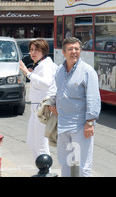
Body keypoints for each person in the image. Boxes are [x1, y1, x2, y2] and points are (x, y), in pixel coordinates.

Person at [50, 37, 101, 176]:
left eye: (77, 49)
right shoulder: (59, 71)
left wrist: (90, 122)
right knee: (66, 163)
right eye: (71, 49)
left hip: (80, 126)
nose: (74, 52)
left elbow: (93, 98)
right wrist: (52, 103)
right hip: (63, 124)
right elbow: (57, 91)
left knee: (82, 166)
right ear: (63, 52)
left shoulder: (87, 71)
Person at [19, 39, 58, 166]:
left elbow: (46, 83)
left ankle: (46, 171)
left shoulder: (45, 65)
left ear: (44, 51)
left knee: (40, 143)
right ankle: (41, 170)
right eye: (31, 50)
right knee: (32, 141)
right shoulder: (41, 65)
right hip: (37, 108)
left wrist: (28, 74)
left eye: (36, 50)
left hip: (42, 108)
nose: (33, 52)